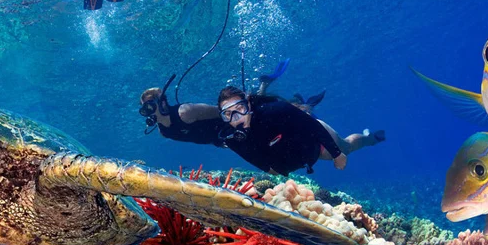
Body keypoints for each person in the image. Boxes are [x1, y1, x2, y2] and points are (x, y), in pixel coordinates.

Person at [217, 86, 384, 175]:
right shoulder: (232, 140)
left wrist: (337, 154)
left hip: (315, 141)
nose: (236, 117)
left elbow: (312, 126)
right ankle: (305, 104)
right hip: (298, 152)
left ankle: (371, 138)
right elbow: (262, 164)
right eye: (228, 114)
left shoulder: (274, 110)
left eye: (240, 108)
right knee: (300, 112)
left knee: (347, 147)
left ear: (248, 105)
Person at [140, 85, 224, 146]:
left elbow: (222, 111)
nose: (149, 113)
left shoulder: (185, 112)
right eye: (145, 110)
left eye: (149, 107)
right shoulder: (163, 132)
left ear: (162, 103)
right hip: (222, 141)